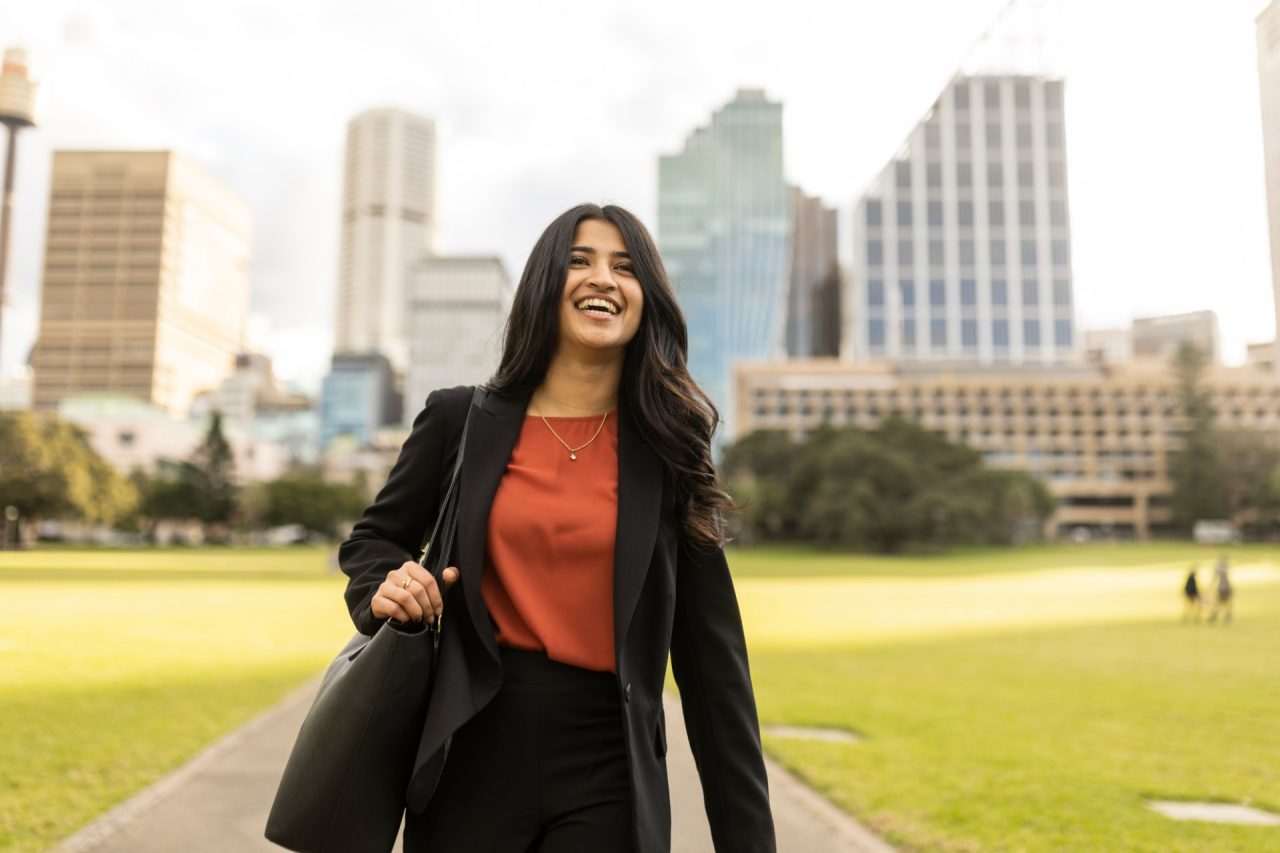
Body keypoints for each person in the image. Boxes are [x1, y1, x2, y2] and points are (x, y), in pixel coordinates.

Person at [338, 203, 776, 853]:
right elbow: (372, 540)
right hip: (467, 754)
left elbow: (714, 663)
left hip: (610, 767)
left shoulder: (670, 446)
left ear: (645, 299)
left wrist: (750, 841)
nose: (603, 278)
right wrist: (387, 584)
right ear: (545, 283)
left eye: (625, 267)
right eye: (579, 261)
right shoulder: (459, 419)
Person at [1207, 554, 1233, 625]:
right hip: (1224, 587)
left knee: (1222, 602)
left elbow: (1215, 576)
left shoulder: (1221, 569)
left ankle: (1224, 615)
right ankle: (1223, 615)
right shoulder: (1224, 568)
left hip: (1223, 588)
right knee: (1222, 602)